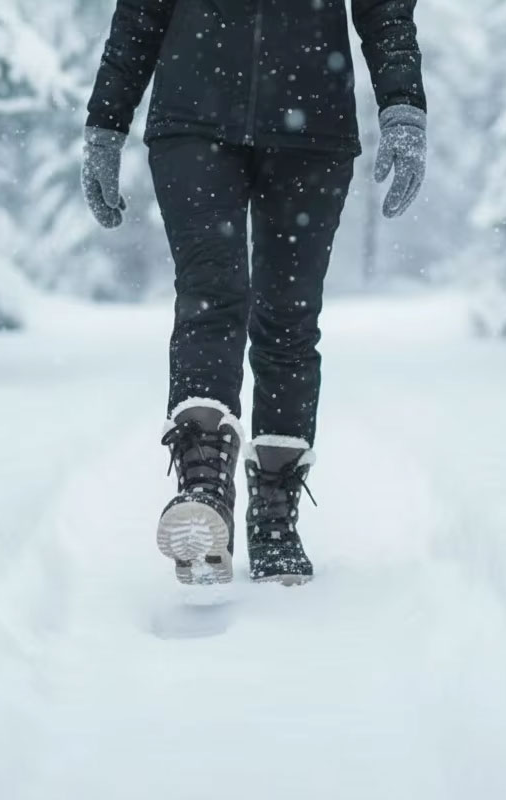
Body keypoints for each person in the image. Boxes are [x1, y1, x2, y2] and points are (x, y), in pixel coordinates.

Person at [83, 0, 426, 586]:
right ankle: (203, 488)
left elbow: (385, 7)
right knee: (208, 294)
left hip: (311, 122)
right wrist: (106, 123)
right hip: (193, 115)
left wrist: (403, 106)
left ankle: (274, 512)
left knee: (289, 317)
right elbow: (140, 10)